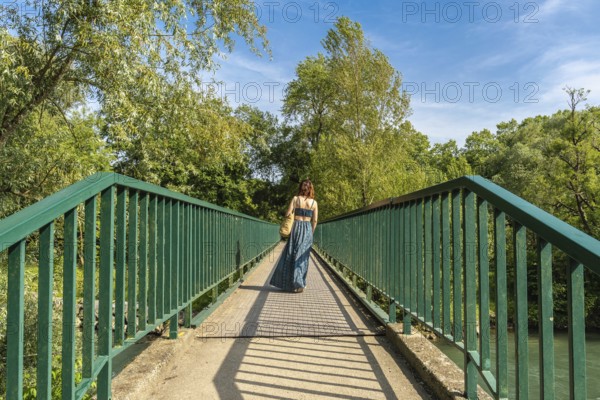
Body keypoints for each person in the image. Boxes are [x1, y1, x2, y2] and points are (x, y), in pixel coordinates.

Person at [269, 179, 318, 293]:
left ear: (301, 187)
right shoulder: (314, 203)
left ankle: (289, 284)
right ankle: (299, 283)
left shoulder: (295, 199)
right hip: (307, 229)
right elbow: (314, 220)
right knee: (302, 256)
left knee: (291, 253)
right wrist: (311, 233)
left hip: (296, 227)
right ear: (311, 189)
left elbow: (288, 214)